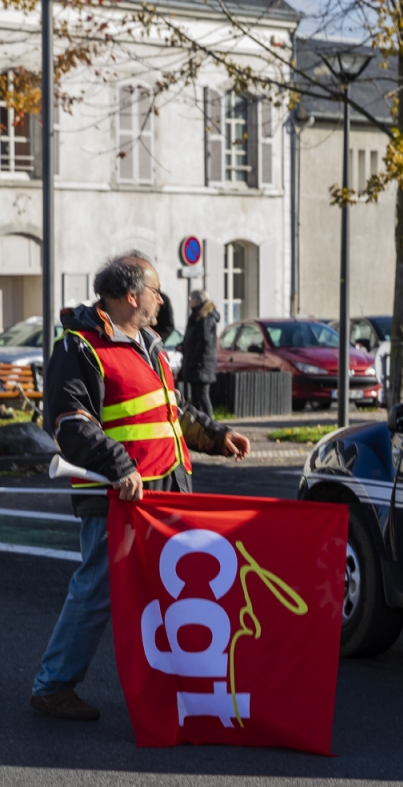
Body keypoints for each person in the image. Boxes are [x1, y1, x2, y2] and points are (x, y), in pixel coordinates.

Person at [29, 253, 251, 721]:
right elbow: (70, 423)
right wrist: (117, 464)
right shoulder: (79, 347)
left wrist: (215, 436)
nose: (161, 299)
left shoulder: (147, 342)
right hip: (119, 496)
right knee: (98, 588)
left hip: (167, 490)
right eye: (155, 290)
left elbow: (170, 411)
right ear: (132, 297)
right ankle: (53, 686)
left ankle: (180, 690)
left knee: (178, 589)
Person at [180, 289, 219, 417]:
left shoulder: (205, 317)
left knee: (202, 396)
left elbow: (204, 342)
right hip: (196, 363)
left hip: (201, 364)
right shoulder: (197, 316)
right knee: (196, 397)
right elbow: (194, 339)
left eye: (191, 299)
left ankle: (210, 428)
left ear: (197, 300)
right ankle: (200, 426)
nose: (190, 302)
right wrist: (183, 346)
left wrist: (194, 361)